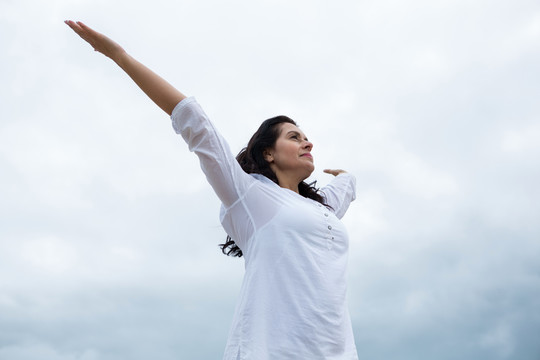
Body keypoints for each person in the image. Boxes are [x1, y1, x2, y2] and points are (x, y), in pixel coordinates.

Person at [65, 20, 359, 360]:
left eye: (306, 137)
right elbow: (196, 124)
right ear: (268, 153)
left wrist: (347, 177)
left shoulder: (323, 210)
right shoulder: (252, 197)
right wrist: (118, 55)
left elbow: (345, 188)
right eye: (294, 137)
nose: (307, 141)